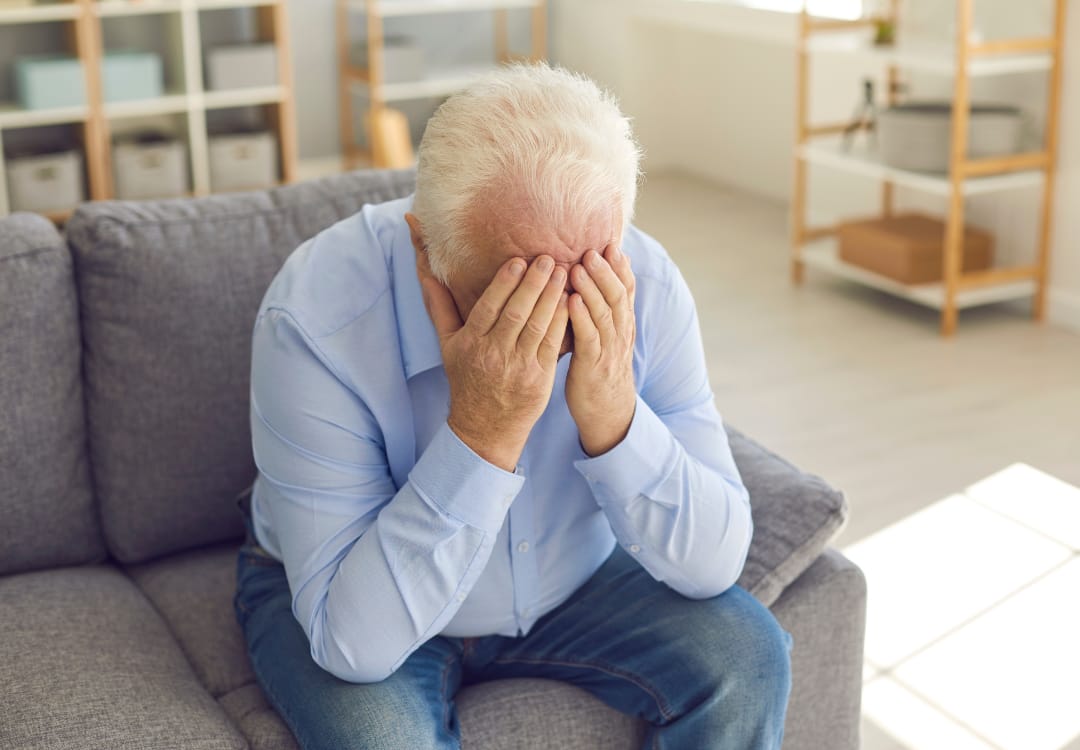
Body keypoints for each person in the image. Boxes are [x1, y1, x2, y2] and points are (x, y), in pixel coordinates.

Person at [235, 63, 792, 750]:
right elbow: (355, 644)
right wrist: (482, 430)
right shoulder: (315, 316)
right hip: (356, 584)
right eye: (512, 297)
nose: (551, 333)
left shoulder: (645, 279)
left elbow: (714, 565)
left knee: (747, 657)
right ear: (427, 252)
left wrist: (616, 416)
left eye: (584, 282)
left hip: (576, 580)